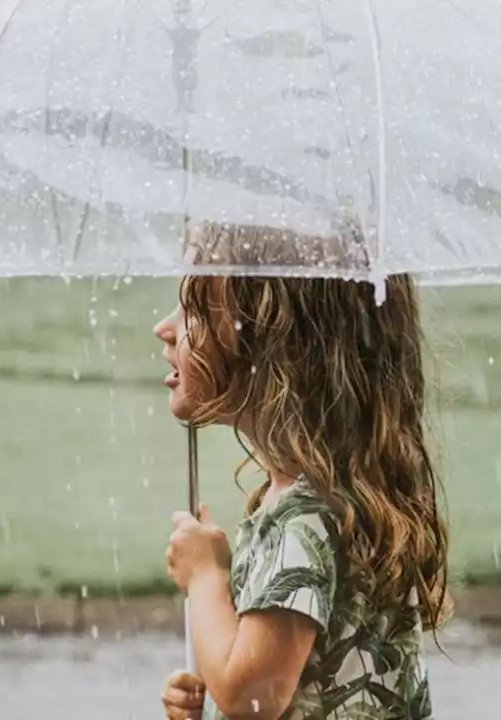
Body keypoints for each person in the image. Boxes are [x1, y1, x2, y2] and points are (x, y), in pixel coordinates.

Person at [154, 222, 450, 719]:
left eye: (195, 312)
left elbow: (253, 697)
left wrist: (205, 579)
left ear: (274, 347)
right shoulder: (340, 497)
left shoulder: (304, 520)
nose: (165, 328)